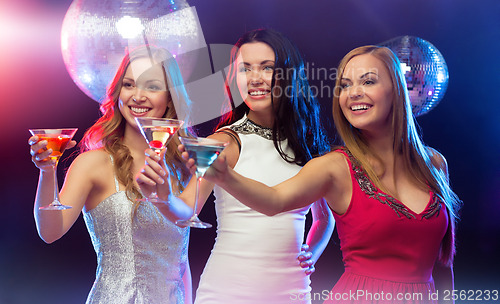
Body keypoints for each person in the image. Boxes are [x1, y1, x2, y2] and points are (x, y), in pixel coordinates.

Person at [202, 45, 461, 304]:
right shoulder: (334, 167)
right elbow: (274, 200)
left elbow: (442, 264)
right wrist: (225, 176)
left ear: (396, 89)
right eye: (345, 85)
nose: (354, 93)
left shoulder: (435, 163)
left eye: (368, 81)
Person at [137, 28, 335, 304]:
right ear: (234, 79)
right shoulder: (225, 142)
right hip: (228, 292)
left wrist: (311, 253)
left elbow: (324, 219)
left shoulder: (309, 146)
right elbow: (187, 209)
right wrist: (164, 197)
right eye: (245, 69)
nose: (255, 78)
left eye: (267, 68)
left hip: (294, 294)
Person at [30, 46, 193, 304]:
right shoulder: (92, 164)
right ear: (118, 93)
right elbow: (51, 231)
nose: (138, 96)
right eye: (129, 85)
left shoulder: (182, 168)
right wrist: (47, 170)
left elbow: (181, 263)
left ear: (170, 99)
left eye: (151, 86)